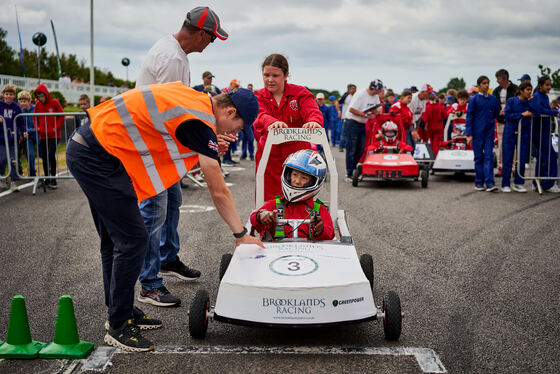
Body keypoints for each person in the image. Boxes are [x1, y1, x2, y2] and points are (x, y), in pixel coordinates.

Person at [66, 82, 264, 352]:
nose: (236, 133)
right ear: (229, 112)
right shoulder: (199, 121)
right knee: (133, 239)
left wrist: (205, 147)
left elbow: (169, 137)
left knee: (115, 241)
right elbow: (218, 190)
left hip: (95, 149)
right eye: (239, 126)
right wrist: (241, 235)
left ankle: (119, 310)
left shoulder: (196, 101)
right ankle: (118, 325)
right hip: (96, 157)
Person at [135, 6, 229, 308]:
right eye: (211, 39)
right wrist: (205, 143)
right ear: (201, 33)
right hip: (152, 145)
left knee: (173, 201)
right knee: (153, 211)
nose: (209, 44)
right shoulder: (173, 58)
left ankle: (166, 257)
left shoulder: (176, 53)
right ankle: (148, 285)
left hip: (161, 144)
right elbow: (172, 115)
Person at [253, 53, 323, 201]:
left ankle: (301, 223)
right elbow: (258, 116)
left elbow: (312, 111)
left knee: (300, 195)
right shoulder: (258, 96)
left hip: (298, 156)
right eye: (266, 75)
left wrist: (314, 121)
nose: (270, 80)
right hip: (269, 155)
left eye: (275, 75)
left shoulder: (300, 93)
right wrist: (271, 122)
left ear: (286, 75)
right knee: (268, 198)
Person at [250, 149, 333, 241]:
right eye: (295, 175)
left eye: (304, 178)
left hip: (308, 253)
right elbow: (254, 221)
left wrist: (321, 229)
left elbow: (330, 235)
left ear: (314, 182)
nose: (297, 181)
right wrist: (261, 215)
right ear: (288, 175)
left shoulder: (319, 209)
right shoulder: (274, 205)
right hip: (277, 253)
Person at [343, 80, 384, 182]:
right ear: (374, 88)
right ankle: (349, 173)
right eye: (378, 90)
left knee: (360, 149)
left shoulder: (375, 97)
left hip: (362, 123)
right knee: (351, 149)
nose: (379, 92)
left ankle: (355, 170)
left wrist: (377, 111)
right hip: (352, 122)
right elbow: (351, 109)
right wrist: (366, 115)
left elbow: (377, 107)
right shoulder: (360, 94)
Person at [466, 75, 501, 192]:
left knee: (489, 157)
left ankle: (490, 183)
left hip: (489, 132)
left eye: (487, 83)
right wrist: (469, 134)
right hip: (476, 133)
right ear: (479, 85)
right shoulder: (473, 99)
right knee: (478, 158)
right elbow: (469, 117)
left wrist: (503, 113)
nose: (486, 85)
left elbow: (497, 114)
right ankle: (479, 182)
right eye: (484, 83)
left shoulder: (493, 99)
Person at [501, 82, 534, 193]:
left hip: (524, 133)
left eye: (531, 90)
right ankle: (505, 183)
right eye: (528, 89)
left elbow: (538, 111)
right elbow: (507, 115)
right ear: (521, 90)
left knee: (522, 158)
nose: (530, 92)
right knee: (508, 158)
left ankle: (519, 183)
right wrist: (521, 114)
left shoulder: (531, 102)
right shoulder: (511, 101)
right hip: (510, 132)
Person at [530, 75, 560, 192]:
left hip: (544, 131)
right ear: (541, 85)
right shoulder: (537, 96)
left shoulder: (544, 96)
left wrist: (552, 110)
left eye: (550, 84)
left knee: (542, 158)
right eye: (547, 85)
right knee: (551, 156)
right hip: (539, 131)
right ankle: (549, 184)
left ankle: (537, 182)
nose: (549, 87)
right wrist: (555, 112)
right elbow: (539, 111)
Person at [33, 84, 64, 189]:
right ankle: (46, 179)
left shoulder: (54, 102)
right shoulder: (37, 104)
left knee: (51, 154)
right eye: (39, 97)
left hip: (54, 134)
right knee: (45, 156)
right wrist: (37, 127)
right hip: (43, 135)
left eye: (42, 96)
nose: (41, 99)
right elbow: (34, 118)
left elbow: (61, 116)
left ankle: (53, 179)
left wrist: (57, 127)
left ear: (46, 94)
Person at [493, 69, 518, 178]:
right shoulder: (496, 90)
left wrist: (509, 110)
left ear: (504, 78)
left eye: (498, 78)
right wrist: (497, 112)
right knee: (501, 144)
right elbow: (494, 104)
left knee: (512, 145)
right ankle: (501, 167)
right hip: (501, 121)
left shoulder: (516, 89)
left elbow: (519, 103)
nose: (497, 81)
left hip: (512, 121)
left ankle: (512, 168)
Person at [0, 84, 24, 190]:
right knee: (3, 159)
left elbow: (21, 122)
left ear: (14, 96)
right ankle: (3, 177)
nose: (8, 96)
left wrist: (23, 131)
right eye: (6, 94)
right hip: (1, 139)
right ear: (3, 95)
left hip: (12, 139)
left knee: (13, 160)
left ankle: (13, 182)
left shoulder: (16, 107)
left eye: (11, 94)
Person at [17, 91, 38, 177]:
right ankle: (32, 174)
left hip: (38, 134)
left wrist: (28, 130)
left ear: (30, 101)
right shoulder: (20, 111)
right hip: (27, 137)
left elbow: (37, 124)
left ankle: (49, 172)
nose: (22, 103)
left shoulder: (35, 109)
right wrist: (21, 133)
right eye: (21, 101)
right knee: (30, 155)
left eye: (24, 101)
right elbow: (19, 124)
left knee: (44, 154)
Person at [338, 84, 356, 151]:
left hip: (354, 118)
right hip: (345, 117)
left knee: (352, 134)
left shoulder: (356, 96)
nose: (354, 90)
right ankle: (341, 146)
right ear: (348, 90)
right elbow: (338, 103)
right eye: (352, 88)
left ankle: (350, 147)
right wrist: (339, 112)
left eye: (355, 88)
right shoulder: (345, 96)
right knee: (344, 133)